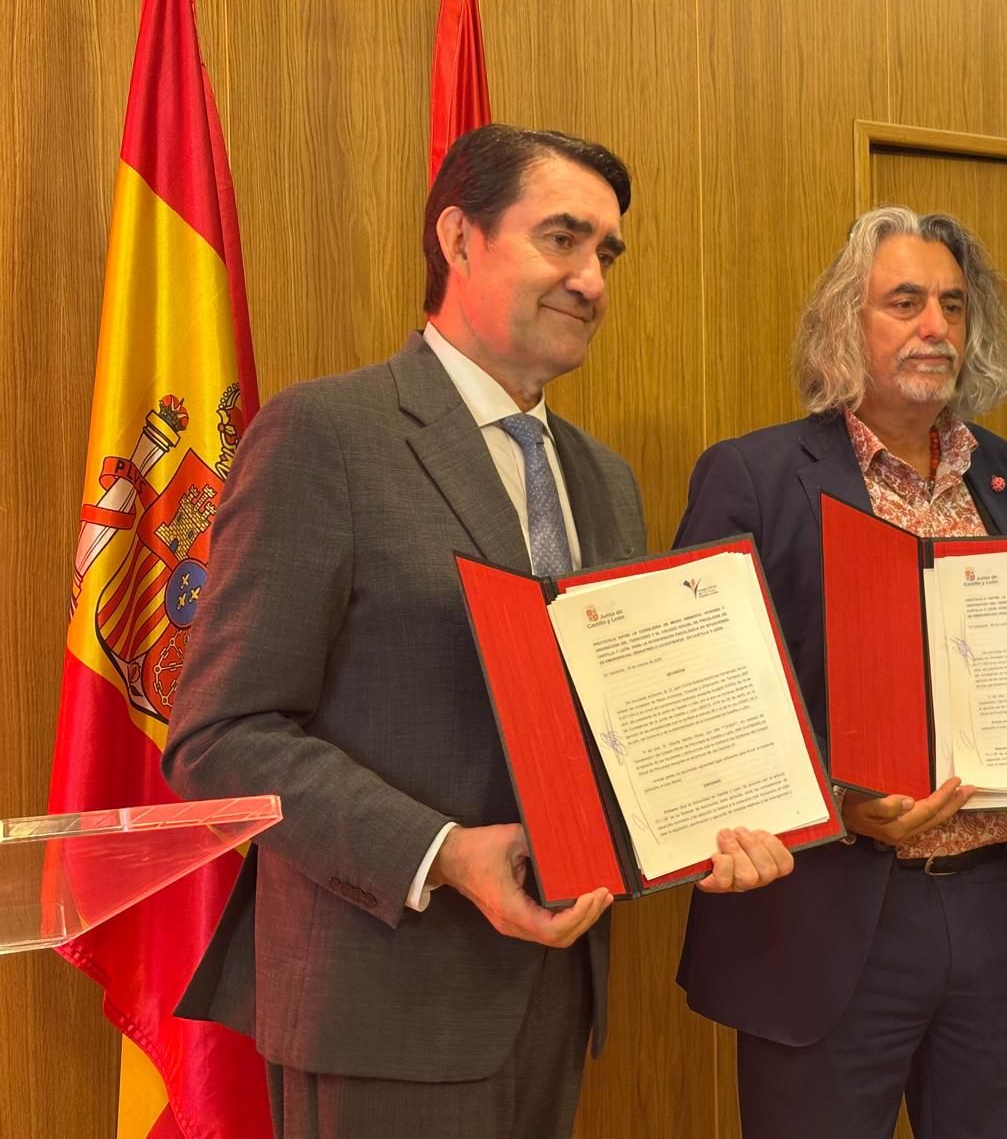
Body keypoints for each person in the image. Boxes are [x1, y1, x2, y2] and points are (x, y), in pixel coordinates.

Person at [162, 124, 792, 1139]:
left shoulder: (605, 480)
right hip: (383, 1007)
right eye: (562, 239)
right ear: (459, 238)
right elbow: (222, 740)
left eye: (607, 254)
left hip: (557, 996)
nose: (591, 279)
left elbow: (609, 731)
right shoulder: (328, 435)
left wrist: (700, 826)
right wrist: (445, 853)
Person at [674, 205, 1007, 1139]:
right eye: (905, 301)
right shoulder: (756, 476)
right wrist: (842, 801)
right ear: (845, 323)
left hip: (999, 905)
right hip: (832, 911)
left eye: (952, 304)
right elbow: (711, 709)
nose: (935, 326)